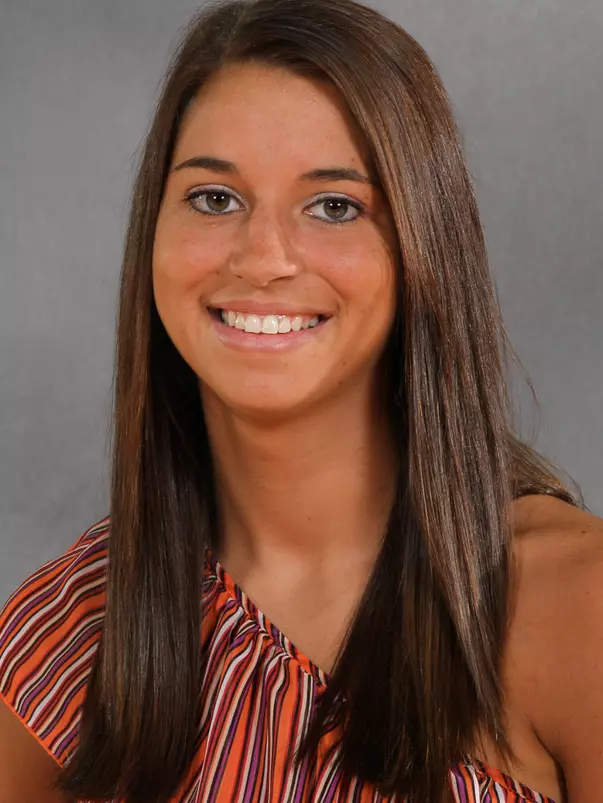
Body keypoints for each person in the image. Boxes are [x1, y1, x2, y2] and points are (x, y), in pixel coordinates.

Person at [1, 0, 601, 800]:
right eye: (214, 197)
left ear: (424, 246)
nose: (263, 257)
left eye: (334, 206)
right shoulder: (71, 625)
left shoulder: (574, 601)